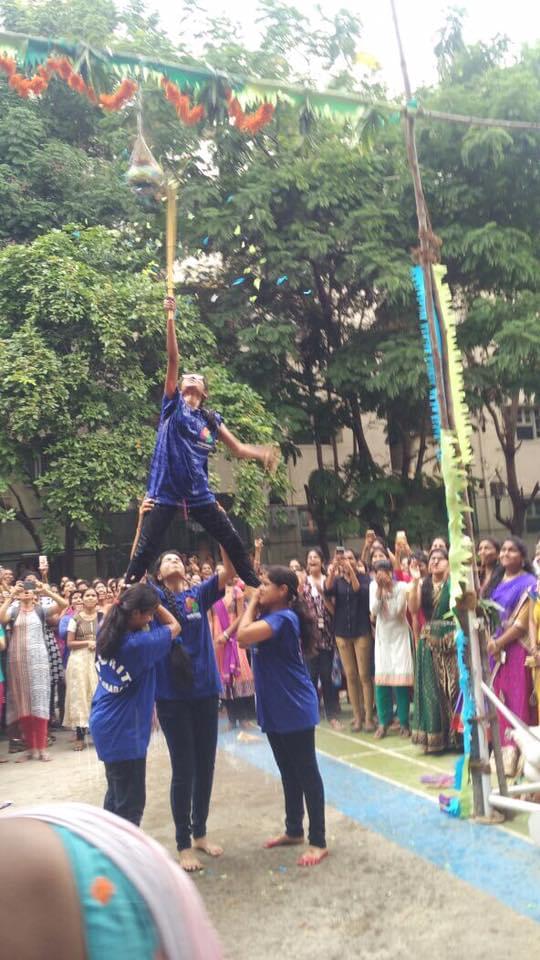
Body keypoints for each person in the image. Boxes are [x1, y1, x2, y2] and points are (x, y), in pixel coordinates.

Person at [125, 296, 279, 588]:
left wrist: (262, 454)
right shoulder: (172, 406)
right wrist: (170, 318)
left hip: (198, 492)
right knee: (147, 548)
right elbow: (173, 359)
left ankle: (256, 588)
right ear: (180, 386)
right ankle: (125, 589)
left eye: (196, 380)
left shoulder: (210, 420)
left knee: (231, 537)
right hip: (166, 491)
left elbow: (237, 449)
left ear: (204, 391)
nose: (190, 381)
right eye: (186, 379)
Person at [0, 802, 222, 960]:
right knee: (128, 797)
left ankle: (196, 836)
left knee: (129, 797)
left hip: (105, 856)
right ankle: (185, 844)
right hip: (103, 859)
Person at [237, 566, 328, 867]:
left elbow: (243, 637)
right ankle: (294, 829)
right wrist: (252, 603)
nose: (260, 589)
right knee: (287, 771)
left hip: (294, 705)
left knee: (306, 773)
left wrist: (250, 602)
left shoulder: (284, 619)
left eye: (265, 585)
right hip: (275, 706)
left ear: (283, 591)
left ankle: (318, 840)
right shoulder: (269, 617)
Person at [153, 546, 235, 872]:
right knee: (183, 768)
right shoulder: (153, 598)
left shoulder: (197, 594)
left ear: (186, 569)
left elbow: (228, 573)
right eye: (166, 559)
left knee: (206, 765)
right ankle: (183, 843)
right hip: (172, 695)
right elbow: (130, 579)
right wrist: (144, 522)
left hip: (204, 689)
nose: (173, 561)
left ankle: (200, 832)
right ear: (159, 573)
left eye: (177, 558)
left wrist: (222, 532)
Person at [90, 584, 181, 826]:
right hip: (125, 730)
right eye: (148, 613)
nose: (151, 618)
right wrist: (158, 602)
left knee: (116, 796)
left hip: (105, 721)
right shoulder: (139, 645)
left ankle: (107, 852)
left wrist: (140, 600)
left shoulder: (106, 630)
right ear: (135, 614)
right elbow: (175, 627)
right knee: (130, 807)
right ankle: (122, 856)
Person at [0, 579, 65, 761]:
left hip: (39, 659)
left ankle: (42, 747)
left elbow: (63, 604)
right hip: (17, 660)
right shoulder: (13, 610)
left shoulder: (40, 610)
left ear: (34, 595)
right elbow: (0, 617)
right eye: (23, 592)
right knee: (23, 704)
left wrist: (46, 591)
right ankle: (30, 748)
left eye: (29, 592)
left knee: (40, 702)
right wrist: (11, 596)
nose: (26, 594)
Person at [487, 537, 536, 766]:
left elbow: (522, 623)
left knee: (518, 699)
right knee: (499, 699)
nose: (506, 553)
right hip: (495, 651)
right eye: (503, 549)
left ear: (523, 557)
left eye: (512, 550)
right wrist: (490, 642)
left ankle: (520, 756)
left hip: (516, 650)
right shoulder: (496, 581)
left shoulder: (529, 583)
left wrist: (499, 643)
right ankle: (502, 752)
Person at [409, 549, 459, 753]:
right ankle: (437, 740)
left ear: (449, 562)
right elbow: (413, 609)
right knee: (432, 692)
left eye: (440, 559)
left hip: (452, 641)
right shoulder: (423, 585)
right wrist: (414, 581)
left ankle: (457, 737)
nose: (435, 562)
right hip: (429, 641)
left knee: (454, 690)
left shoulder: (454, 584)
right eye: (432, 559)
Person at [326, 548, 374, 733]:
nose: (346, 561)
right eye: (343, 558)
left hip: (361, 629)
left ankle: (369, 716)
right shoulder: (337, 581)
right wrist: (331, 571)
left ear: (356, 560)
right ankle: (357, 716)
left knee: (364, 675)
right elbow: (327, 590)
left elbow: (358, 591)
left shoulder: (363, 578)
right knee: (351, 676)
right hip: (341, 632)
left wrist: (351, 571)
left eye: (350, 558)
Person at [369, 560, 414, 738]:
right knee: (381, 682)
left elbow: (396, 611)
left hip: (400, 637)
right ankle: (383, 722)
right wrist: (380, 591)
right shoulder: (373, 586)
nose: (381, 576)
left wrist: (389, 590)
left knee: (401, 682)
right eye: (378, 572)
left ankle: (404, 722)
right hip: (383, 639)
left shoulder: (401, 587)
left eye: (385, 572)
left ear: (391, 573)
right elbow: (373, 610)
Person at [211, 570, 256, 731]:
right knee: (224, 677)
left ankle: (243, 717)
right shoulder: (211, 594)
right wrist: (212, 638)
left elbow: (241, 615)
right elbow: (210, 618)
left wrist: (227, 633)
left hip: (233, 636)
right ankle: (232, 718)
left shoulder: (237, 591)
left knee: (239, 675)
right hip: (218, 640)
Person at [303, 548, 340, 729]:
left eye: (315, 557)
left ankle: (332, 714)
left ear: (322, 561)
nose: (312, 560)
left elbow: (335, 611)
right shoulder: (302, 583)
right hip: (309, 638)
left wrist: (323, 593)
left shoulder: (329, 582)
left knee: (327, 676)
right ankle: (311, 714)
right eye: (309, 557)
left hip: (327, 636)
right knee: (310, 677)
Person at [65, 587, 102, 751]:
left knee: (98, 694)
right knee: (80, 696)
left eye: (93, 595)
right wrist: (88, 643)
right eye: (87, 595)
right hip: (79, 660)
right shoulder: (75, 619)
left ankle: (99, 734)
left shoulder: (103, 617)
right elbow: (69, 643)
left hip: (100, 658)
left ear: (97, 598)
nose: (90, 598)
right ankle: (80, 736)